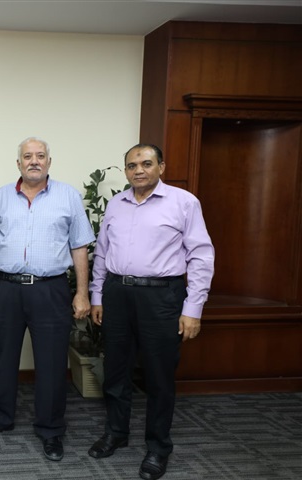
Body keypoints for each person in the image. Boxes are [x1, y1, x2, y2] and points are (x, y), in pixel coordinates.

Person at [87, 144, 214, 480]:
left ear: (161, 166)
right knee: (115, 370)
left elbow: (201, 256)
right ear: (126, 171)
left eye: (146, 163)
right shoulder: (116, 203)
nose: (139, 170)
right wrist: (97, 296)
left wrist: (193, 308)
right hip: (117, 293)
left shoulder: (183, 202)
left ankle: (158, 447)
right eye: (132, 165)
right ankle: (116, 432)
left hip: (162, 296)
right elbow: (102, 253)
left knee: (159, 375)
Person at [0, 137, 95, 462]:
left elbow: (79, 246)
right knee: (4, 357)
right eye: (28, 156)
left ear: (49, 162)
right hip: (7, 289)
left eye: (40, 156)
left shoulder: (68, 196)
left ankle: (51, 430)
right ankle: (1, 417)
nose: (34, 161)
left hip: (50, 289)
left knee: (52, 363)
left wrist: (82, 293)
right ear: (19, 163)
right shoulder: (0, 197)